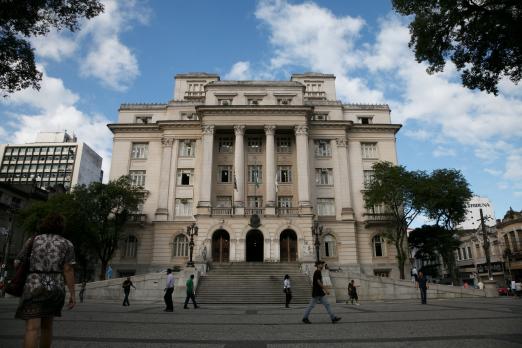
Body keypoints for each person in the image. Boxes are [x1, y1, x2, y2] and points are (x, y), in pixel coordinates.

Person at [14, 212, 76, 348]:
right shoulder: (67, 244)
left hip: (33, 285)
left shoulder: (32, 241)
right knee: (47, 327)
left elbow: (17, 262)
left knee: (32, 328)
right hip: (55, 287)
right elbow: (68, 270)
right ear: (61, 227)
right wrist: (72, 293)